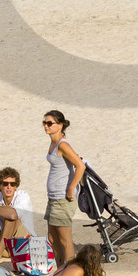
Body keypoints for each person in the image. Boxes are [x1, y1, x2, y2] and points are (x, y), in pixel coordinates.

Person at [43, 110, 86, 266]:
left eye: (49, 123)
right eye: (44, 123)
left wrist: (71, 188)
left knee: (64, 239)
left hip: (63, 197)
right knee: (52, 238)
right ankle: (60, 269)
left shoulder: (63, 144)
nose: (46, 126)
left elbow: (80, 166)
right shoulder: (53, 142)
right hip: (53, 197)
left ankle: (70, 272)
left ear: (59, 126)